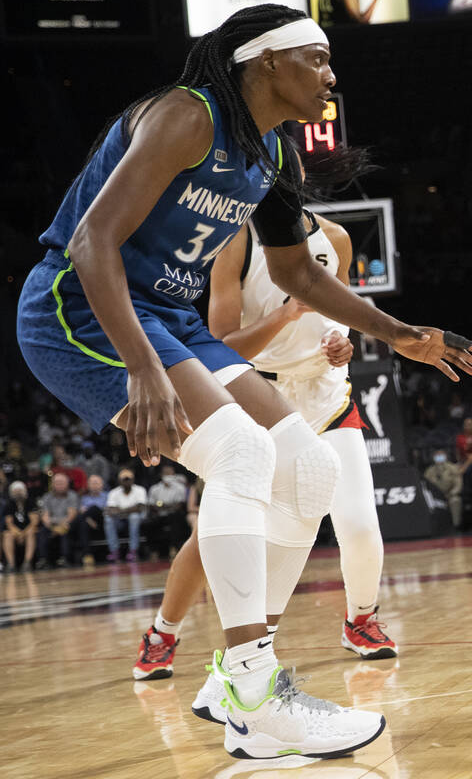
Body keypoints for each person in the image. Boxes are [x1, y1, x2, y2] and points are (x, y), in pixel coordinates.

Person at [16, 4, 472, 757]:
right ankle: (255, 690)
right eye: (318, 59)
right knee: (241, 455)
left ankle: (236, 686)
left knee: (308, 469)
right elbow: (93, 239)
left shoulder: (271, 154)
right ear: (267, 62)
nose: (331, 74)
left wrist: (398, 333)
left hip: (167, 315)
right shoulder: (185, 116)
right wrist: (142, 367)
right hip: (78, 306)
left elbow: (295, 271)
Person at [136, 206, 428, 712]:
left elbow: (340, 319)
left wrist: (344, 345)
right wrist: (286, 314)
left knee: (359, 524)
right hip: (258, 397)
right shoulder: (236, 242)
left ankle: (360, 618)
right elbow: (221, 345)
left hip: (326, 396)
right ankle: (164, 631)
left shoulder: (335, 238)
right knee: (214, 537)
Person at [146, 463, 190, 558]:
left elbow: (179, 505)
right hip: (159, 515)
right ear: (161, 475)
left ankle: (174, 548)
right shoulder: (155, 489)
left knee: (176, 520)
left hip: (174, 515)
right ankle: (154, 550)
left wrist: (162, 505)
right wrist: (165, 506)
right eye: (166, 473)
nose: (168, 476)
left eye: (170, 473)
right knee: (148, 523)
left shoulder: (180, 487)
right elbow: (152, 505)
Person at [37, 472, 80, 567]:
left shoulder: (72, 495)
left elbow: (72, 514)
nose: (59, 486)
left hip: (67, 523)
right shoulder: (47, 497)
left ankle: (65, 558)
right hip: (52, 525)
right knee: (42, 532)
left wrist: (62, 525)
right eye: (57, 483)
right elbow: (45, 516)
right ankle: (43, 559)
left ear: (67, 484)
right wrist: (52, 527)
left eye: (62, 483)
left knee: (66, 530)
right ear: (52, 484)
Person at [105, 468, 147, 562]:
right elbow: (110, 509)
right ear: (120, 481)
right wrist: (130, 509)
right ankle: (114, 551)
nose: (127, 482)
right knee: (108, 519)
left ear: (133, 480)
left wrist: (121, 510)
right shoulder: (114, 492)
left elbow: (140, 507)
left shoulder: (140, 490)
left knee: (134, 517)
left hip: (138, 519)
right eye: (124, 479)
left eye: (129, 479)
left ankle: (133, 550)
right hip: (120, 520)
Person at [424, 449, 464, 529]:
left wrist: (452, 493)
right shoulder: (429, 471)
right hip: (435, 497)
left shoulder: (453, 468)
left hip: (450, 494)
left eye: (441, 455)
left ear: (446, 456)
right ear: (433, 457)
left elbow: (458, 483)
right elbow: (425, 487)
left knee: (455, 501)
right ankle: (433, 527)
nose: (439, 457)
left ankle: (455, 526)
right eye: (437, 455)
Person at [3, 482, 37, 571]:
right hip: (15, 531)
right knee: (7, 535)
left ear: (24, 491)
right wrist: (18, 534)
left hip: (28, 529)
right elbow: (9, 523)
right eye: (16, 491)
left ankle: (27, 562)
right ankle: (11, 564)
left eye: (20, 491)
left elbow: (34, 522)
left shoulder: (30, 502)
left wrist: (23, 533)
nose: (18, 493)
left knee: (31, 533)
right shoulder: (9, 504)